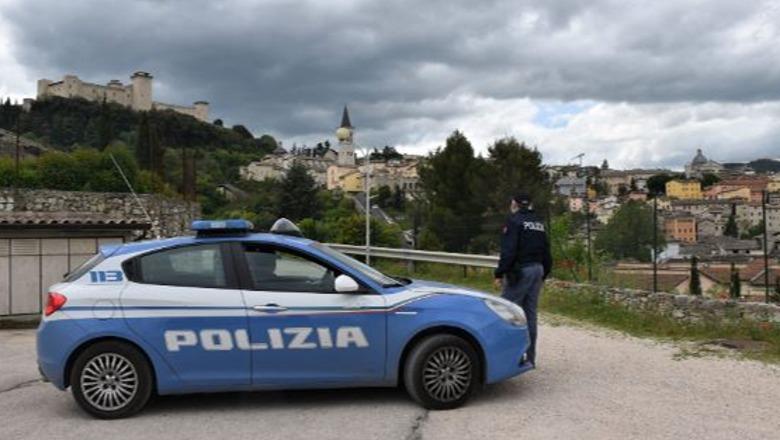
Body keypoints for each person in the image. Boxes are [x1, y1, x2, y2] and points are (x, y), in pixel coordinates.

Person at [493, 192, 552, 367]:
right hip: (538, 270)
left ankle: (507, 359)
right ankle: (530, 358)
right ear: (530, 204)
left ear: (514, 203)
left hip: (522, 271)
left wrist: (499, 273)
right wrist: (544, 274)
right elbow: (546, 251)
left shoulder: (514, 221)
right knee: (530, 315)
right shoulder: (539, 223)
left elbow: (509, 251)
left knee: (506, 312)